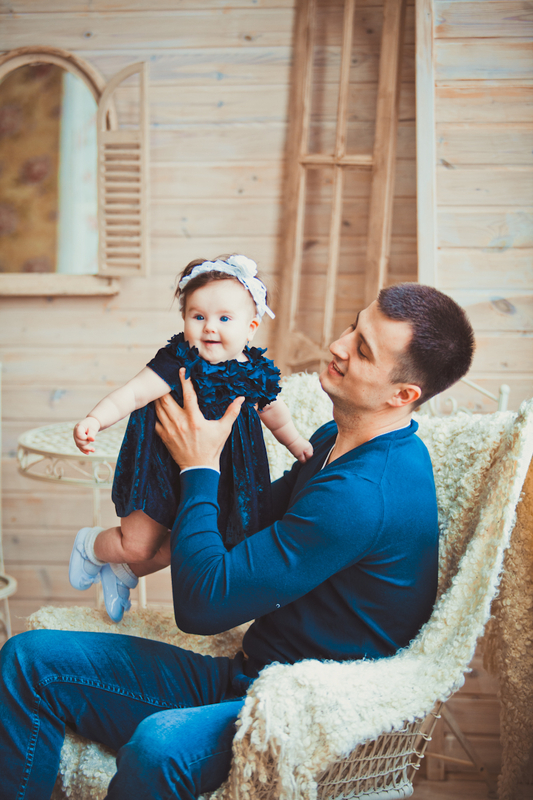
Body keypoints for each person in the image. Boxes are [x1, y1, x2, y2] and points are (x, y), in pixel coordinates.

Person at [0, 283, 475, 800]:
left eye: (362, 350)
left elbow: (202, 608)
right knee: (29, 660)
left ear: (403, 395)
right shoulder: (332, 441)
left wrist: (199, 466)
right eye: (352, 327)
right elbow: (246, 524)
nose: (338, 345)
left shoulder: (361, 494)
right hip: (250, 678)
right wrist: (143, 528)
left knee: (160, 745)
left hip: (297, 713)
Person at [69, 254, 312, 622]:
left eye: (224, 318)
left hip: (217, 477)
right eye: (198, 316)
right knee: (137, 544)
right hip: (160, 468)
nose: (209, 327)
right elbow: (132, 394)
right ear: (184, 320)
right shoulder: (176, 362)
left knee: (184, 546)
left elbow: (274, 413)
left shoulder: (253, 372)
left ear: (251, 327)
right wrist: (95, 419)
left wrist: (295, 443)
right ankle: (91, 546)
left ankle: (122, 571)